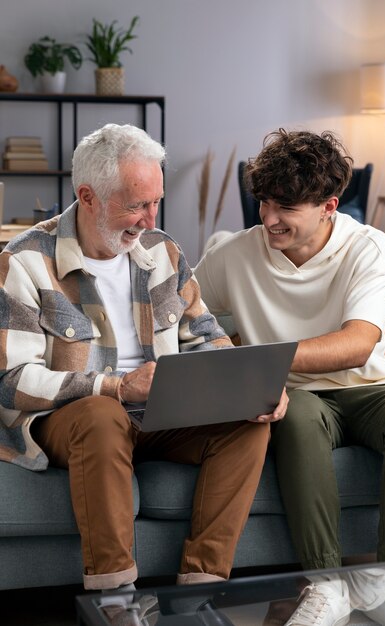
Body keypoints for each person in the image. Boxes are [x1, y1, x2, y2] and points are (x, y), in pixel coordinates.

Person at [0, 123, 279, 626]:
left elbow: (206, 333)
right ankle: (117, 602)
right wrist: (113, 385)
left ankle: (199, 594)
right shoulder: (23, 261)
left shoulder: (162, 252)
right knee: (103, 415)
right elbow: (12, 379)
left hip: (160, 410)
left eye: (156, 202)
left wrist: (250, 385)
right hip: (76, 417)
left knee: (249, 420)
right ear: (87, 196)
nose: (150, 219)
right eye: (136, 205)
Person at [195, 128, 385, 626]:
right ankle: (328, 584)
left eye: (286, 208)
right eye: (264, 202)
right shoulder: (236, 253)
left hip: (371, 386)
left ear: (329, 205)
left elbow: (360, 342)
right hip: (295, 396)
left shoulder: (368, 246)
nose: (268, 219)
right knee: (296, 423)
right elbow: (179, 312)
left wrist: (262, 356)